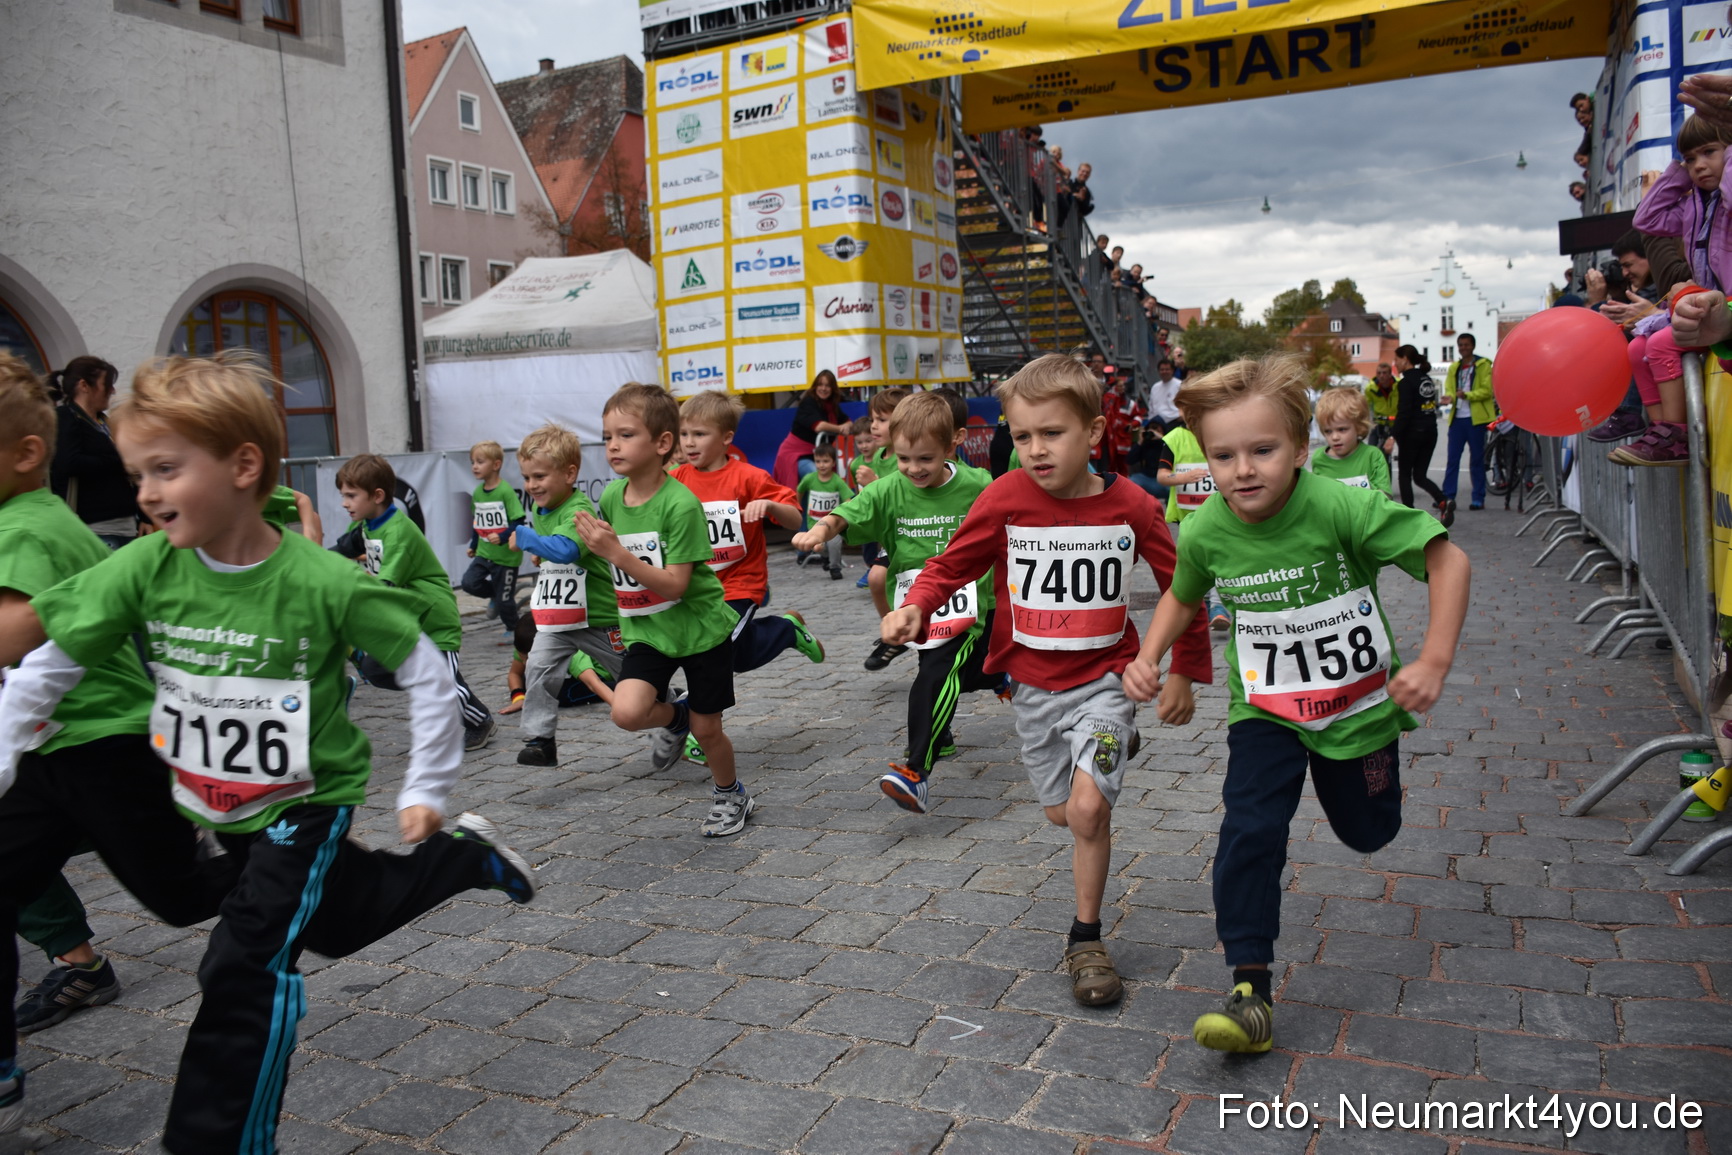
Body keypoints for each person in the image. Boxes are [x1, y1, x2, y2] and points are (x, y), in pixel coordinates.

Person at [0, 352, 535, 1152]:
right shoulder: (143, 565)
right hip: (220, 806)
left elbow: (426, 670)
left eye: (166, 469)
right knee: (340, 921)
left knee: (243, 960)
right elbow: (50, 662)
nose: (144, 492)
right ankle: (461, 860)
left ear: (243, 466)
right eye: (137, 473)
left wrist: (425, 785)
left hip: (303, 803)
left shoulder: (322, 581)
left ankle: (220, 1138)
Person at [1123, 352, 1469, 1054]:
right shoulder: (1207, 528)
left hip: (1356, 709)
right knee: (1249, 827)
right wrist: (1150, 656)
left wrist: (1433, 659)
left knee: (1368, 831)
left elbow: (1448, 560)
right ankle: (1249, 987)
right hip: (1266, 709)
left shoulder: (1340, 504)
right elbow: (1183, 594)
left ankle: (1376, 779)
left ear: (1301, 450)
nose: (1242, 470)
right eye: (1224, 455)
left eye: (1263, 450)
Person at [881, 354, 1212, 1007]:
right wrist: (917, 603)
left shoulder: (1133, 505)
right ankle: (1106, 752)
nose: (1035, 449)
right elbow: (952, 563)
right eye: (1022, 435)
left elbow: (1184, 586)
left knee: (1089, 811)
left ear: (1093, 432)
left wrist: (1184, 672)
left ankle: (1085, 937)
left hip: (1108, 679)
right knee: (1063, 813)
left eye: (1052, 433)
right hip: (1033, 688)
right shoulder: (1005, 497)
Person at [0, 354, 239, 1137]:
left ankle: (295, 853)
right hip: (44, 751)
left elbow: (11, 634)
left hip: (106, 745)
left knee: (183, 896)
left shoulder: (29, 526)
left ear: (26, 453)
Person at [794, 393, 1002, 812]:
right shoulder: (889, 488)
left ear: (954, 443)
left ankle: (915, 771)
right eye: (904, 458)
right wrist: (820, 531)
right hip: (916, 605)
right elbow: (847, 513)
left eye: (925, 459)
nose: (913, 468)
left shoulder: (979, 484)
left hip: (973, 603)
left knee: (937, 674)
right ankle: (964, 712)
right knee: (947, 673)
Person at [575, 383, 752, 837]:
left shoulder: (681, 504)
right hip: (647, 629)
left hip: (700, 632)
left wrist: (615, 553)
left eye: (626, 435)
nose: (613, 445)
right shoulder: (612, 497)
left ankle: (731, 794)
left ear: (662, 443)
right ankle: (676, 718)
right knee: (627, 713)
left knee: (708, 732)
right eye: (607, 436)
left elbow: (676, 583)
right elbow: (613, 560)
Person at [672, 390, 825, 765]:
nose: (689, 443)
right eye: (684, 434)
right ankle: (786, 630)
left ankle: (699, 732)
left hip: (740, 584)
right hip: (695, 590)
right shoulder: (675, 480)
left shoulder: (748, 477)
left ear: (727, 437)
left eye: (699, 434)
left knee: (714, 652)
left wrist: (769, 504)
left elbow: (794, 517)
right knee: (734, 658)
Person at [332, 454, 496, 751]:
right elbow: (343, 548)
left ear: (377, 496)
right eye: (343, 495)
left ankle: (479, 721)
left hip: (434, 618)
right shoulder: (368, 525)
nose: (344, 503)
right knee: (375, 669)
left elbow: (384, 587)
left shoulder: (399, 532)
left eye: (351, 495)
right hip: (408, 617)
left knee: (446, 684)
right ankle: (431, 683)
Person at [1613, 114, 1732, 465]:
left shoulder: (1726, 201)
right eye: (1690, 158)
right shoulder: (1694, 205)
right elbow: (1646, 220)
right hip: (1706, 303)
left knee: (1663, 343)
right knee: (1638, 347)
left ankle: (1678, 436)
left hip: (1725, 305)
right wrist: (1677, 175)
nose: (1699, 165)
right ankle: (1661, 431)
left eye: (1709, 152)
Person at [508, 424, 626, 768]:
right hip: (560, 618)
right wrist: (539, 553)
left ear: (569, 474)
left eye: (540, 476)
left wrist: (527, 539)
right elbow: (554, 549)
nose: (532, 485)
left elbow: (566, 549)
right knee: (538, 665)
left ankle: (674, 709)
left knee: (632, 681)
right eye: (526, 478)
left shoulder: (578, 509)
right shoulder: (541, 509)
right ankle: (540, 740)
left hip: (600, 618)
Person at [47, 356, 136, 550]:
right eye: (107, 384)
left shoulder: (105, 422)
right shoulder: (66, 417)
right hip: (95, 526)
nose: (112, 390)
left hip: (126, 524)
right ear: (84, 386)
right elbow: (68, 463)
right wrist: (119, 460)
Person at [855, 388, 912, 667]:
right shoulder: (876, 456)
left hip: (916, 534)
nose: (874, 426)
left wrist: (874, 483)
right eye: (872, 419)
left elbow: (907, 497)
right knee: (877, 579)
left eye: (881, 420)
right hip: (892, 538)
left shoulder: (909, 455)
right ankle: (894, 635)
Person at [1157, 423, 1227, 629]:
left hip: (1219, 511)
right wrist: (1183, 478)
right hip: (1187, 516)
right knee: (1196, 562)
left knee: (1219, 555)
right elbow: (1161, 476)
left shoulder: (1220, 429)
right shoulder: (1174, 438)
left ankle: (1218, 607)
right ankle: (1201, 606)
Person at [460, 440, 525, 629]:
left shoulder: (505, 491)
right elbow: (477, 522)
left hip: (506, 557)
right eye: (473, 462)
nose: (475, 466)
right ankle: (495, 595)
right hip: (484, 553)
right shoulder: (478, 493)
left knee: (506, 601)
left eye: (480, 462)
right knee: (469, 583)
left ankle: (513, 630)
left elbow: (518, 521)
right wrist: (473, 545)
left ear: (496, 465)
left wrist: (503, 537)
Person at [1437, 333, 1494, 510]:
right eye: (1460, 345)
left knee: (1476, 460)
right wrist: (1450, 397)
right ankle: (1447, 497)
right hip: (1457, 419)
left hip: (1476, 420)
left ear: (1473, 346)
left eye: (1466, 345)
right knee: (1452, 459)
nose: (1463, 348)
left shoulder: (1484, 365)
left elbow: (1487, 390)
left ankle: (1478, 497)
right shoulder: (1455, 367)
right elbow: (1450, 388)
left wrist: (1467, 395)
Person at [1390, 345, 1449, 517]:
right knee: (1420, 476)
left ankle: (1408, 513)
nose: (1395, 363)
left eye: (1396, 360)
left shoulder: (1405, 382)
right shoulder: (1426, 379)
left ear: (1405, 360)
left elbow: (1404, 412)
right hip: (1430, 431)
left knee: (1404, 475)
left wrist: (1393, 435)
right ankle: (1442, 500)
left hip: (1412, 433)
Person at [772, 370, 849, 488]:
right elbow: (819, 426)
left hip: (818, 456)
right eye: (820, 384)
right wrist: (840, 428)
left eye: (827, 385)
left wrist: (846, 426)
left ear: (833, 388)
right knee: (818, 478)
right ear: (815, 386)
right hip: (796, 455)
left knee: (827, 482)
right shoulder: (808, 402)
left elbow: (848, 422)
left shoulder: (832, 406)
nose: (823, 388)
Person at [1312, 386, 1392, 494]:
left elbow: (1384, 496)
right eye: (1328, 431)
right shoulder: (1319, 459)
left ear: (1359, 427)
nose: (1334, 437)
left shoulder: (1372, 456)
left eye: (1342, 429)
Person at [797, 443, 852, 578]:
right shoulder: (810, 478)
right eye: (818, 461)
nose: (821, 465)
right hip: (814, 524)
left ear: (833, 463)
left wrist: (845, 514)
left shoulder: (837, 481)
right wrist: (797, 506)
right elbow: (799, 490)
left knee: (834, 544)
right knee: (817, 547)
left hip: (833, 523)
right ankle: (826, 557)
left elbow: (847, 498)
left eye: (826, 461)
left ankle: (835, 568)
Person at [1363, 363, 1399, 455]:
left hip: (1397, 422)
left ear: (1390, 374)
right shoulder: (1370, 388)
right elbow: (1365, 405)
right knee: (1371, 447)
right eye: (1379, 373)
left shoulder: (1399, 385)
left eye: (1384, 373)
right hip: (1379, 421)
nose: (1381, 376)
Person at [1147, 358, 1183, 431]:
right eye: (1162, 370)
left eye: (1167, 369)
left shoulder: (1180, 385)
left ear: (1172, 371)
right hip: (1158, 424)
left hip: (1174, 422)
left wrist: (1182, 415)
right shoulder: (1155, 387)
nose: (1164, 372)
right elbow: (1151, 406)